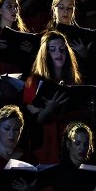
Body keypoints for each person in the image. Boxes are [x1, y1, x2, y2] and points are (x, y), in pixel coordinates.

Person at [24, 31, 84, 164]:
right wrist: (49, 109)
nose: (59, 53)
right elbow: (33, 120)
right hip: (47, 141)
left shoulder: (74, 81)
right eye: (53, 49)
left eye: (62, 49)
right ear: (45, 54)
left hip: (72, 140)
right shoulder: (34, 81)